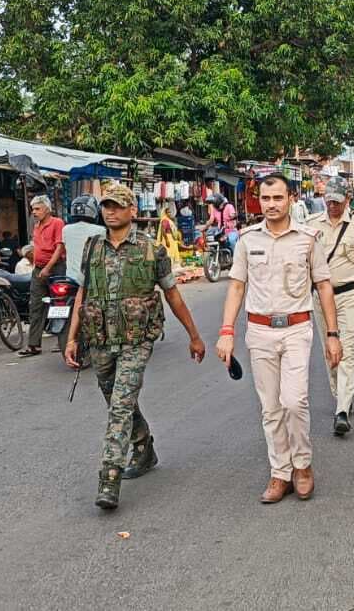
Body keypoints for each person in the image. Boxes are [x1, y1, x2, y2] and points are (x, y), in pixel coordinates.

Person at [63, 182, 205, 510]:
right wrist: (72, 337)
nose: (110, 211)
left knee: (120, 406)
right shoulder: (92, 247)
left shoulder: (149, 250)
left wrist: (194, 335)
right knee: (117, 400)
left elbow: (172, 294)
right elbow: (82, 295)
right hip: (99, 339)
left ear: (132, 211)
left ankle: (109, 477)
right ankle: (144, 448)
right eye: (106, 206)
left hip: (136, 341)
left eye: (117, 205)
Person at [216, 174, 342, 504]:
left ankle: (302, 465)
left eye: (278, 198)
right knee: (270, 407)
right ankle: (280, 472)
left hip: (298, 329)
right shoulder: (247, 240)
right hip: (259, 332)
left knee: (294, 401)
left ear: (291, 199)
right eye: (266, 198)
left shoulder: (308, 239)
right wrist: (226, 332)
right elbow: (237, 287)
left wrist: (332, 334)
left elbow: (324, 286)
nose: (271, 205)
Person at [314, 185, 354, 436]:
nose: (333, 205)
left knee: (347, 351)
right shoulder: (312, 224)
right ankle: (341, 394)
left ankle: (341, 410)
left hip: (349, 295)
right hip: (320, 298)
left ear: (348, 200)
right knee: (331, 353)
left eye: (337, 201)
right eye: (329, 201)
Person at [20, 195, 65, 357]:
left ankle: (63, 343)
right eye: (33, 209)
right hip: (38, 269)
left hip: (56, 269)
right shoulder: (37, 226)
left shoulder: (57, 223)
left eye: (37, 209)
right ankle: (34, 345)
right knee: (36, 306)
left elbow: (59, 247)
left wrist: (48, 267)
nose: (34, 212)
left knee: (60, 306)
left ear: (47, 209)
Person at [62, 196, 107, 286]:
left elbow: (64, 252)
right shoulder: (101, 230)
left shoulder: (66, 229)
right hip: (91, 280)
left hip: (70, 278)